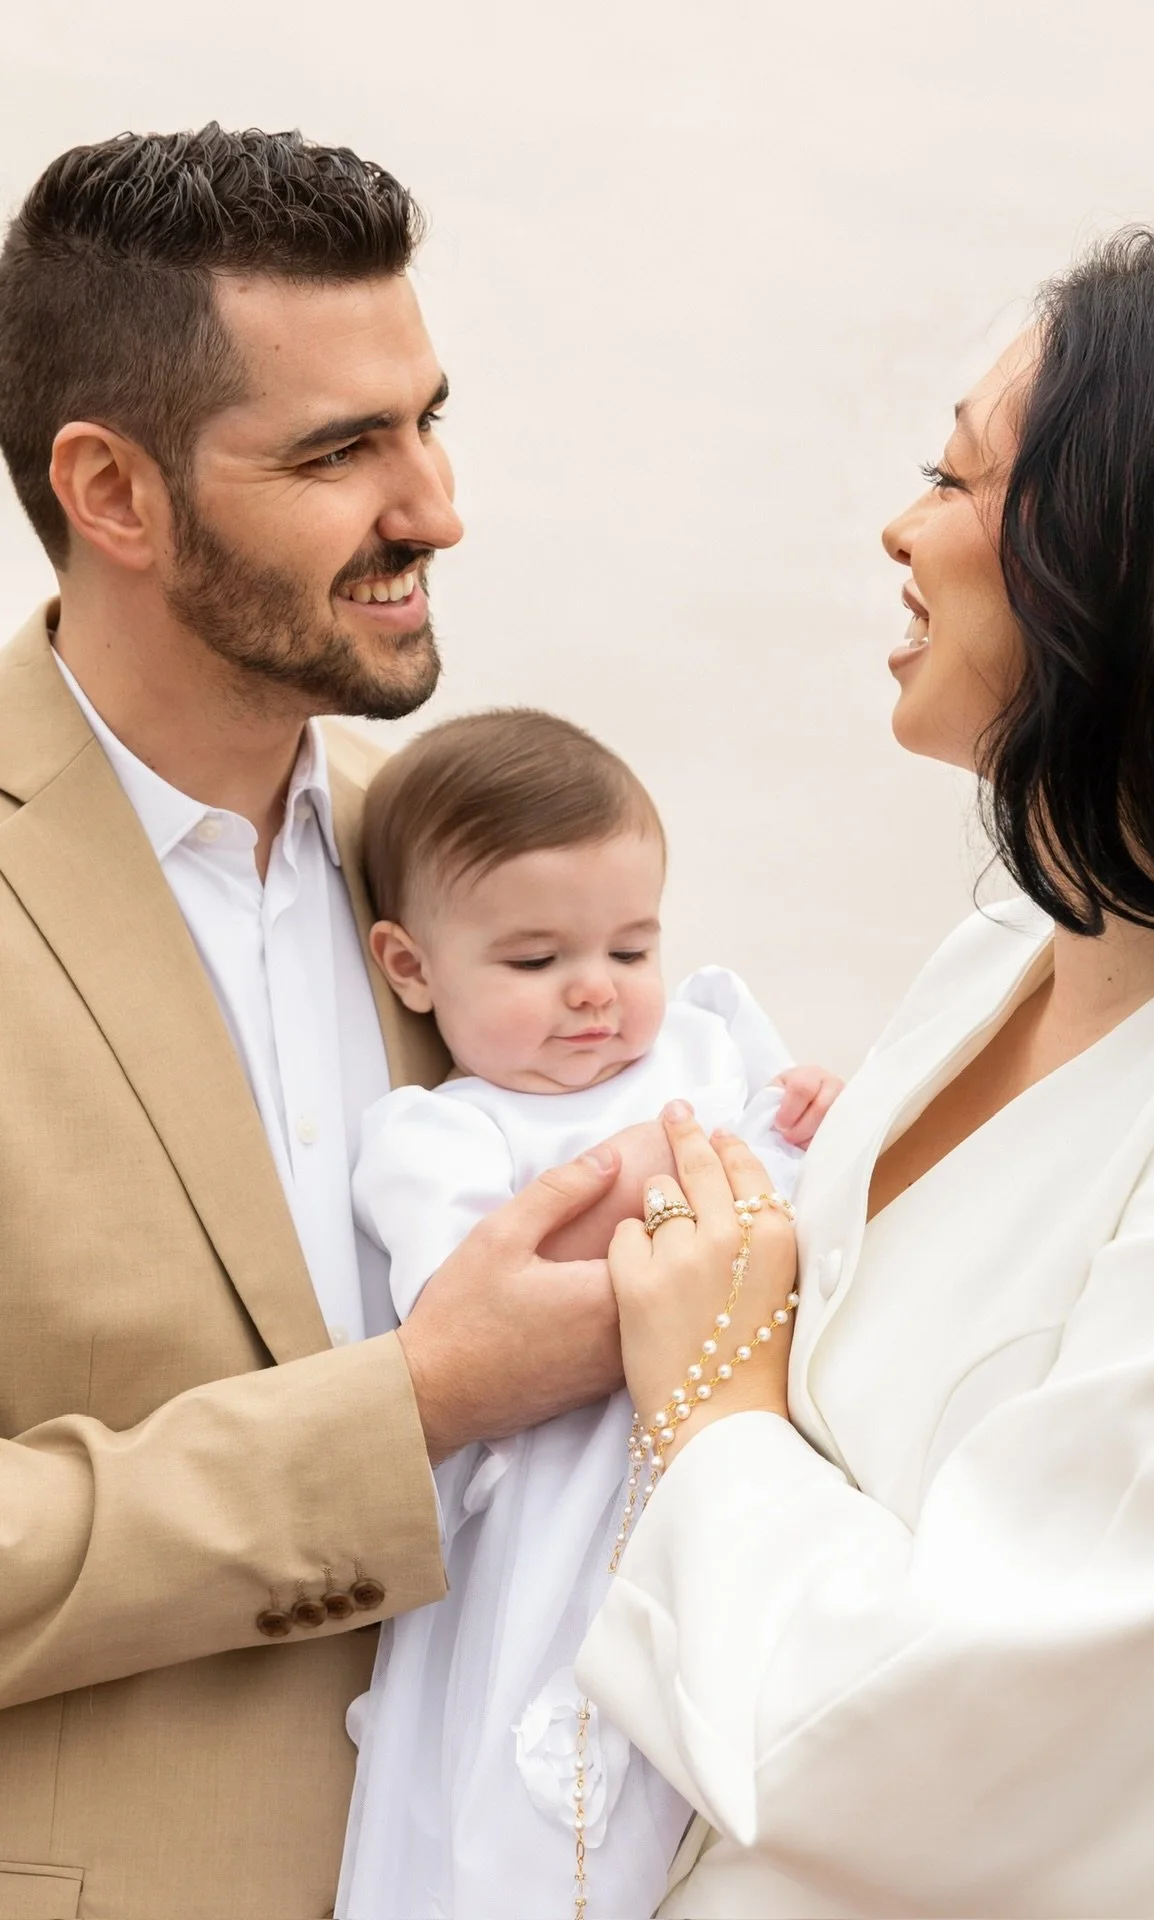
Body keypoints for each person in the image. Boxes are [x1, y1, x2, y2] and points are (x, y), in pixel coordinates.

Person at [576, 232, 1154, 1918]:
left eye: (956, 480)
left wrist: (712, 1404)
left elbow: (951, 1757)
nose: (902, 536)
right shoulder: (1009, 960)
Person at [0, 126, 654, 1920]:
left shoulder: (450, 876)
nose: (435, 505)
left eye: (427, 419)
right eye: (342, 450)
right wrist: (418, 1407)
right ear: (111, 493)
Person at [336, 707, 839, 1919]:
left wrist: (818, 1114)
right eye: (533, 962)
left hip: (738, 1451)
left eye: (630, 949)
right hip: (553, 1504)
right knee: (550, 1777)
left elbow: (807, 1184)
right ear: (412, 968)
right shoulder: (446, 1133)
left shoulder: (713, 1043)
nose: (595, 996)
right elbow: (473, 1294)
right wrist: (700, 1165)